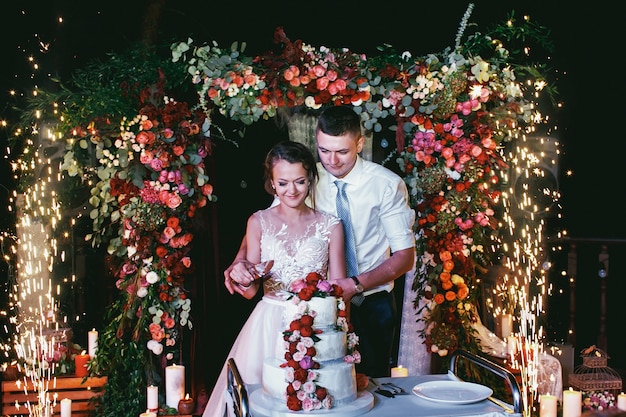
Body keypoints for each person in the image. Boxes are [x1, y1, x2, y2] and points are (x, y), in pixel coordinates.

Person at [225, 105, 416, 377]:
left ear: (359, 143)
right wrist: (239, 262)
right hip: (316, 310)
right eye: (324, 150)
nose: (332, 160)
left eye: (342, 151)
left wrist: (354, 284)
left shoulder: (386, 184)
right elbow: (266, 223)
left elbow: (404, 257)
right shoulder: (304, 177)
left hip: (371, 302)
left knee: (370, 385)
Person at [204, 140, 346, 417]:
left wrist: (341, 340)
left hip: (314, 326)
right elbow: (249, 291)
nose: (291, 190)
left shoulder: (332, 225)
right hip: (267, 325)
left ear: (311, 179)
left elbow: (338, 289)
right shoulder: (258, 222)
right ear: (271, 183)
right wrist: (242, 274)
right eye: (282, 183)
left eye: (300, 181)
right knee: (262, 404)